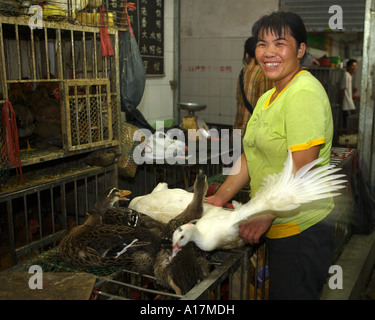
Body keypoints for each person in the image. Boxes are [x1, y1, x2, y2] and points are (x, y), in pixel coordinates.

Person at [207, 11, 335, 300]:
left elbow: (302, 166)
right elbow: (250, 156)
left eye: (280, 43)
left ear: (300, 49)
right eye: (261, 44)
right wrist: (219, 198)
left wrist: (266, 212)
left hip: (302, 228)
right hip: (279, 222)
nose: (269, 52)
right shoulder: (268, 97)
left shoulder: (303, 93)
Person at [233, 37, 274, 137]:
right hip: (253, 133)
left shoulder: (242, 72)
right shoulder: (264, 73)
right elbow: (266, 108)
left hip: (238, 130)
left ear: (247, 55)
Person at [340, 59, 358, 128]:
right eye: (352, 65)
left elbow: (347, 91)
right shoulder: (346, 75)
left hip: (350, 105)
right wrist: (341, 104)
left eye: (356, 65)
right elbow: (342, 90)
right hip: (346, 106)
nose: (354, 67)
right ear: (348, 67)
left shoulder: (349, 76)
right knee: (349, 126)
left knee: (350, 126)